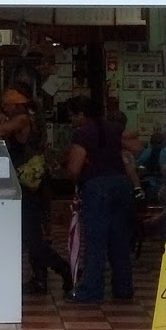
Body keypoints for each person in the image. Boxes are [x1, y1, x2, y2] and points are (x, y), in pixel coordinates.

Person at [0, 88, 73, 297]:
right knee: (32, 235)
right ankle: (39, 280)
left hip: (28, 183)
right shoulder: (31, 117)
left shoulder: (21, 119)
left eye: (6, 105)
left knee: (31, 238)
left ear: (16, 105)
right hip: (34, 182)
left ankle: (65, 269)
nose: (4, 108)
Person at [65, 95, 143, 303]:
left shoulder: (82, 133)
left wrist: (72, 175)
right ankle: (123, 288)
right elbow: (137, 147)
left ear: (82, 115)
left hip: (97, 187)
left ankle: (91, 290)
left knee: (96, 241)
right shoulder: (114, 128)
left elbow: (74, 168)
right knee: (120, 240)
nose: (71, 120)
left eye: (72, 115)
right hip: (122, 185)